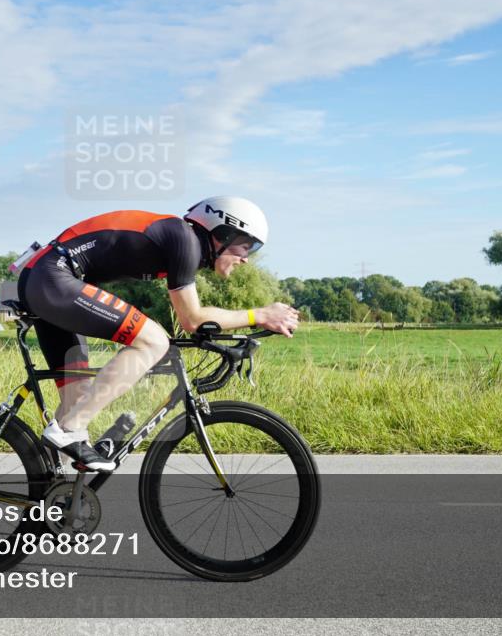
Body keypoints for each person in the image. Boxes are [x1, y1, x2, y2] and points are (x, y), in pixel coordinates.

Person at [16, 196, 299, 471]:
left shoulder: (180, 242)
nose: (246, 259)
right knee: (154, 341)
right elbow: (192, 319)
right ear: (222, 233)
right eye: (244, 246)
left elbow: (196, 320)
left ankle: (50, 499)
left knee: (76, 403)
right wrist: (258, 315)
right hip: (53, 278)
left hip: (46, 279)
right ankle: (67, 431)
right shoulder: (184, 240)